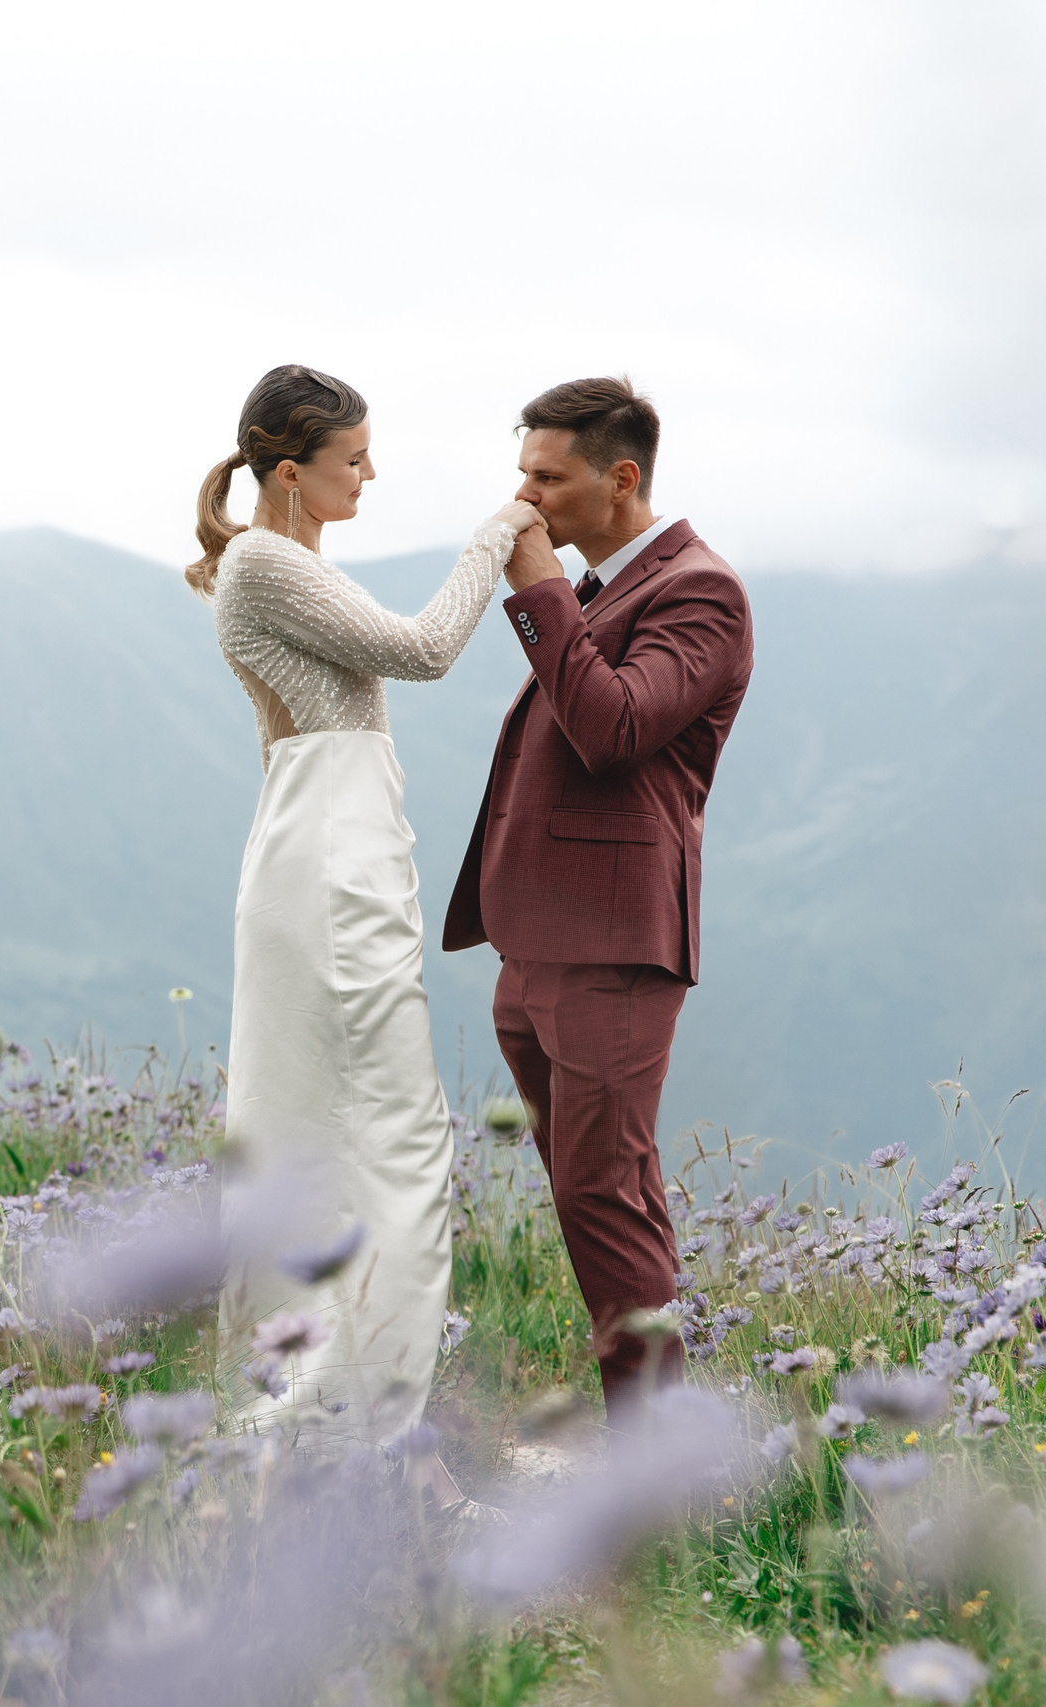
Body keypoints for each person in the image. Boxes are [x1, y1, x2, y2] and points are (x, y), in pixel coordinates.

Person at [188, 363, 536, 1505]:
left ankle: (343, 1413)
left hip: (328, 847)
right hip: (331, 863)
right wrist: (500, 533)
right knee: (388, 1147)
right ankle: (354, 1424)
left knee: (344, 1138)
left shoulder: (279, 560)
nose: (371, 475)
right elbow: (429, 648)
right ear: (290, 474)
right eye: (353, 460)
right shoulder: (266, 561)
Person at [441, 376, 755, 1428]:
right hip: (537, 946)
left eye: (545, 477)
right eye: (520, 474)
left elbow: (613, 728)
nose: (522, 499)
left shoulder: (700, 592)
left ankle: (650, 1459)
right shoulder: (607, 586)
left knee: (598, 1193)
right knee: (598, 1193)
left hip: (615, 945)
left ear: (619, 480)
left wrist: (539, 594)